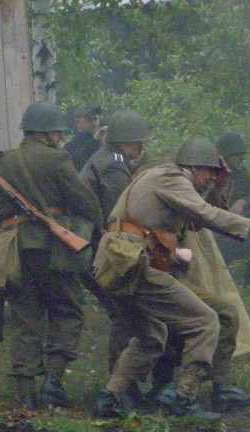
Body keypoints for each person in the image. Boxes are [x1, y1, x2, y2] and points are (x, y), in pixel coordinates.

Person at [94, 136, 250, 419]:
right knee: (205, 320)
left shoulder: (163, 178)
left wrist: (218, 188)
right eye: (210, 173)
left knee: (152, 337)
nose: (211, 179)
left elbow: (194, 219)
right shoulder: (172, 179)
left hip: (119, 266)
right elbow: (204, 213)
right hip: (137, 266)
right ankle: (182, 398)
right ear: (194, 168)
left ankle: (109, 399)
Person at [0, 101, 102, 409]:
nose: (61, 139)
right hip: (53, 250)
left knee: (25, 318)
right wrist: (88, 227)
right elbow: (85, 201)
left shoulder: (3, 163)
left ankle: (26, 396)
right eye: (58, 134)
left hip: (16, 250)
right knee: (67, 310)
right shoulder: (57, 160)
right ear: (48, 134)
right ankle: (53, 381)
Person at [79, 110, 157, 374]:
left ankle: (122, 381)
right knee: (126, 316)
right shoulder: (113, 165)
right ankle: (121, 384)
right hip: (98, 252)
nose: (141, 147)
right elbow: (123, 210)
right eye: (137, 142)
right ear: (124, 142)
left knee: (124, 314)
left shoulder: (104, 158)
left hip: (89, 248)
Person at [214, 132, 250, 288]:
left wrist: (243, 202)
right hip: (214, 229)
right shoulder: (212, 174)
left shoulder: (240, 174)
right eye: (237, 155)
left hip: (232, 228)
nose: (241, 159)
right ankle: (217, 278)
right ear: (225, 156)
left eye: (242, 155)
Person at [64, 105, 103, 171]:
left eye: (96, 119)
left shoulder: (99, 142)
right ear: (77, 122)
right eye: (89, 120)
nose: (94, 123)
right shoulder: (70, 147)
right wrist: (95, 142)